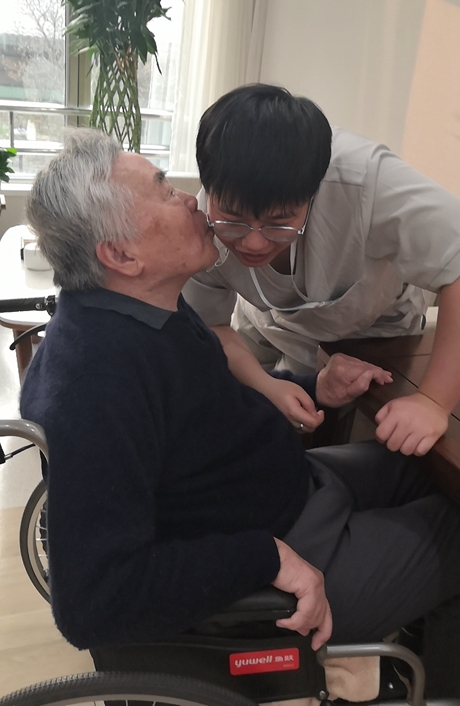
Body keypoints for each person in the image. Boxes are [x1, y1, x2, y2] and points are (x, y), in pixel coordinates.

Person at [20, 129, 460, 697]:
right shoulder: (94, 384)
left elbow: (203, 418)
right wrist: (264, 558)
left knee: (429, 468)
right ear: (121, 255)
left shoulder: (149, 309)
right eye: (163, 189)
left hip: (293, 489)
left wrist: (313, 387)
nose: (189, 199)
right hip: (281, 551)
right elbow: (93, 604)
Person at [182, 83, 460, 457]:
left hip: (372, 328)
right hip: (261, 319)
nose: (254, 243)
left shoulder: (365, 180)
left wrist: (433, 401)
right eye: (233, 220)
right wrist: (267, 384)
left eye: (279, 222)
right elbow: (211, 325)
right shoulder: (197, 222)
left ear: (313, 192)